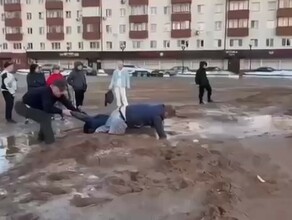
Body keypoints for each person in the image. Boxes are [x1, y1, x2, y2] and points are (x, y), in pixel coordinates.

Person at [14, 79, 79, 145]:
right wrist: (62, 111)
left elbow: (69, 105)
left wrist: (82, 115)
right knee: (45, 118)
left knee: (46, 117)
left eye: (62, 91)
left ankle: (41, 138)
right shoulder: (46, 92)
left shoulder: (59, 94)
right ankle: (50, 142)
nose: (60, 93)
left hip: (34, 107)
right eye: (59, 91)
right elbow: (47, 108)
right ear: (52, 86)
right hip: (22, 106)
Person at [71, 104, 176, 139]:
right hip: (120, 119)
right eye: (167, 117)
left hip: (119, 111)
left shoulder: (156, 108)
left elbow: (154, 125)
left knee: (105, 129)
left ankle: (90, 135)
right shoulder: (157, 116)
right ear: (166, 114)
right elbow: (162, 135)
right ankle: (91, 138)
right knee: (112, 138)